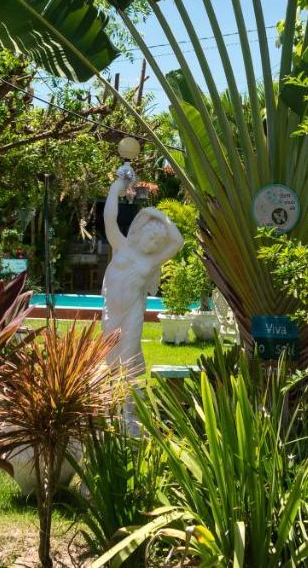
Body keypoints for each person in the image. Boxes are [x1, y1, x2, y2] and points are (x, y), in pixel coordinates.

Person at [101, 163, 184, 425]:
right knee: (109, 355)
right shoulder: (122, 245)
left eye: (157, 243)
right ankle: (110, 407)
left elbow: (178, 241)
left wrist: (156, 214)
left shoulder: (150, 263)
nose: (154, 245)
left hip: (132, 313)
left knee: (129, 355)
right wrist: (116, 188)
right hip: (112, 311)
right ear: (139, 234)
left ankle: (130, 411)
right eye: (150, 238)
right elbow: (109, 219)